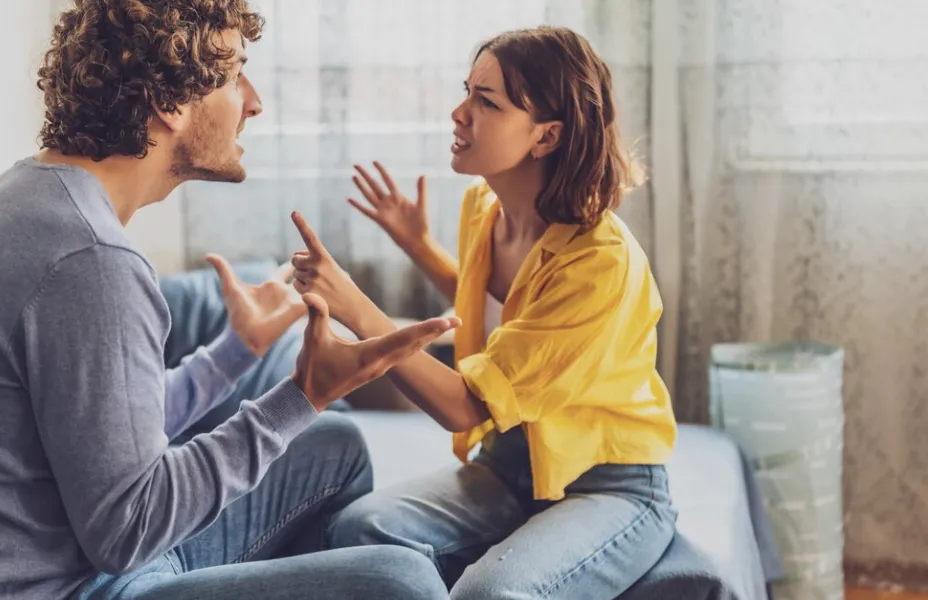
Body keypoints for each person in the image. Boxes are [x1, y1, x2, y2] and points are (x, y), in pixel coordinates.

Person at [0, 1, 458, 599]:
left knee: (334, 448)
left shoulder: (29, 196)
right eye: (233, 74)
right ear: (169, 103)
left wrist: (235, 352)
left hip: (84, 563)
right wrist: (306, 394)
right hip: (71, 587)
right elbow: (129, 529)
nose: (254, 101)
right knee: (401, 583)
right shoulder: (91, 260)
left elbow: (105, 435)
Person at [288, 26, 679, 599]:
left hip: (607, 484)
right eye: (466, 91)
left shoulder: (600, 264)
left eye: (485, 101)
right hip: (508, 465)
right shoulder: (484, 208)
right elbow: (508, 317)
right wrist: (420, 246)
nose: (458, 112)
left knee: (487, 595)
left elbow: (465, 406)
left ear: (546, 137)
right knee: (360, 529)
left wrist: (356, 308)